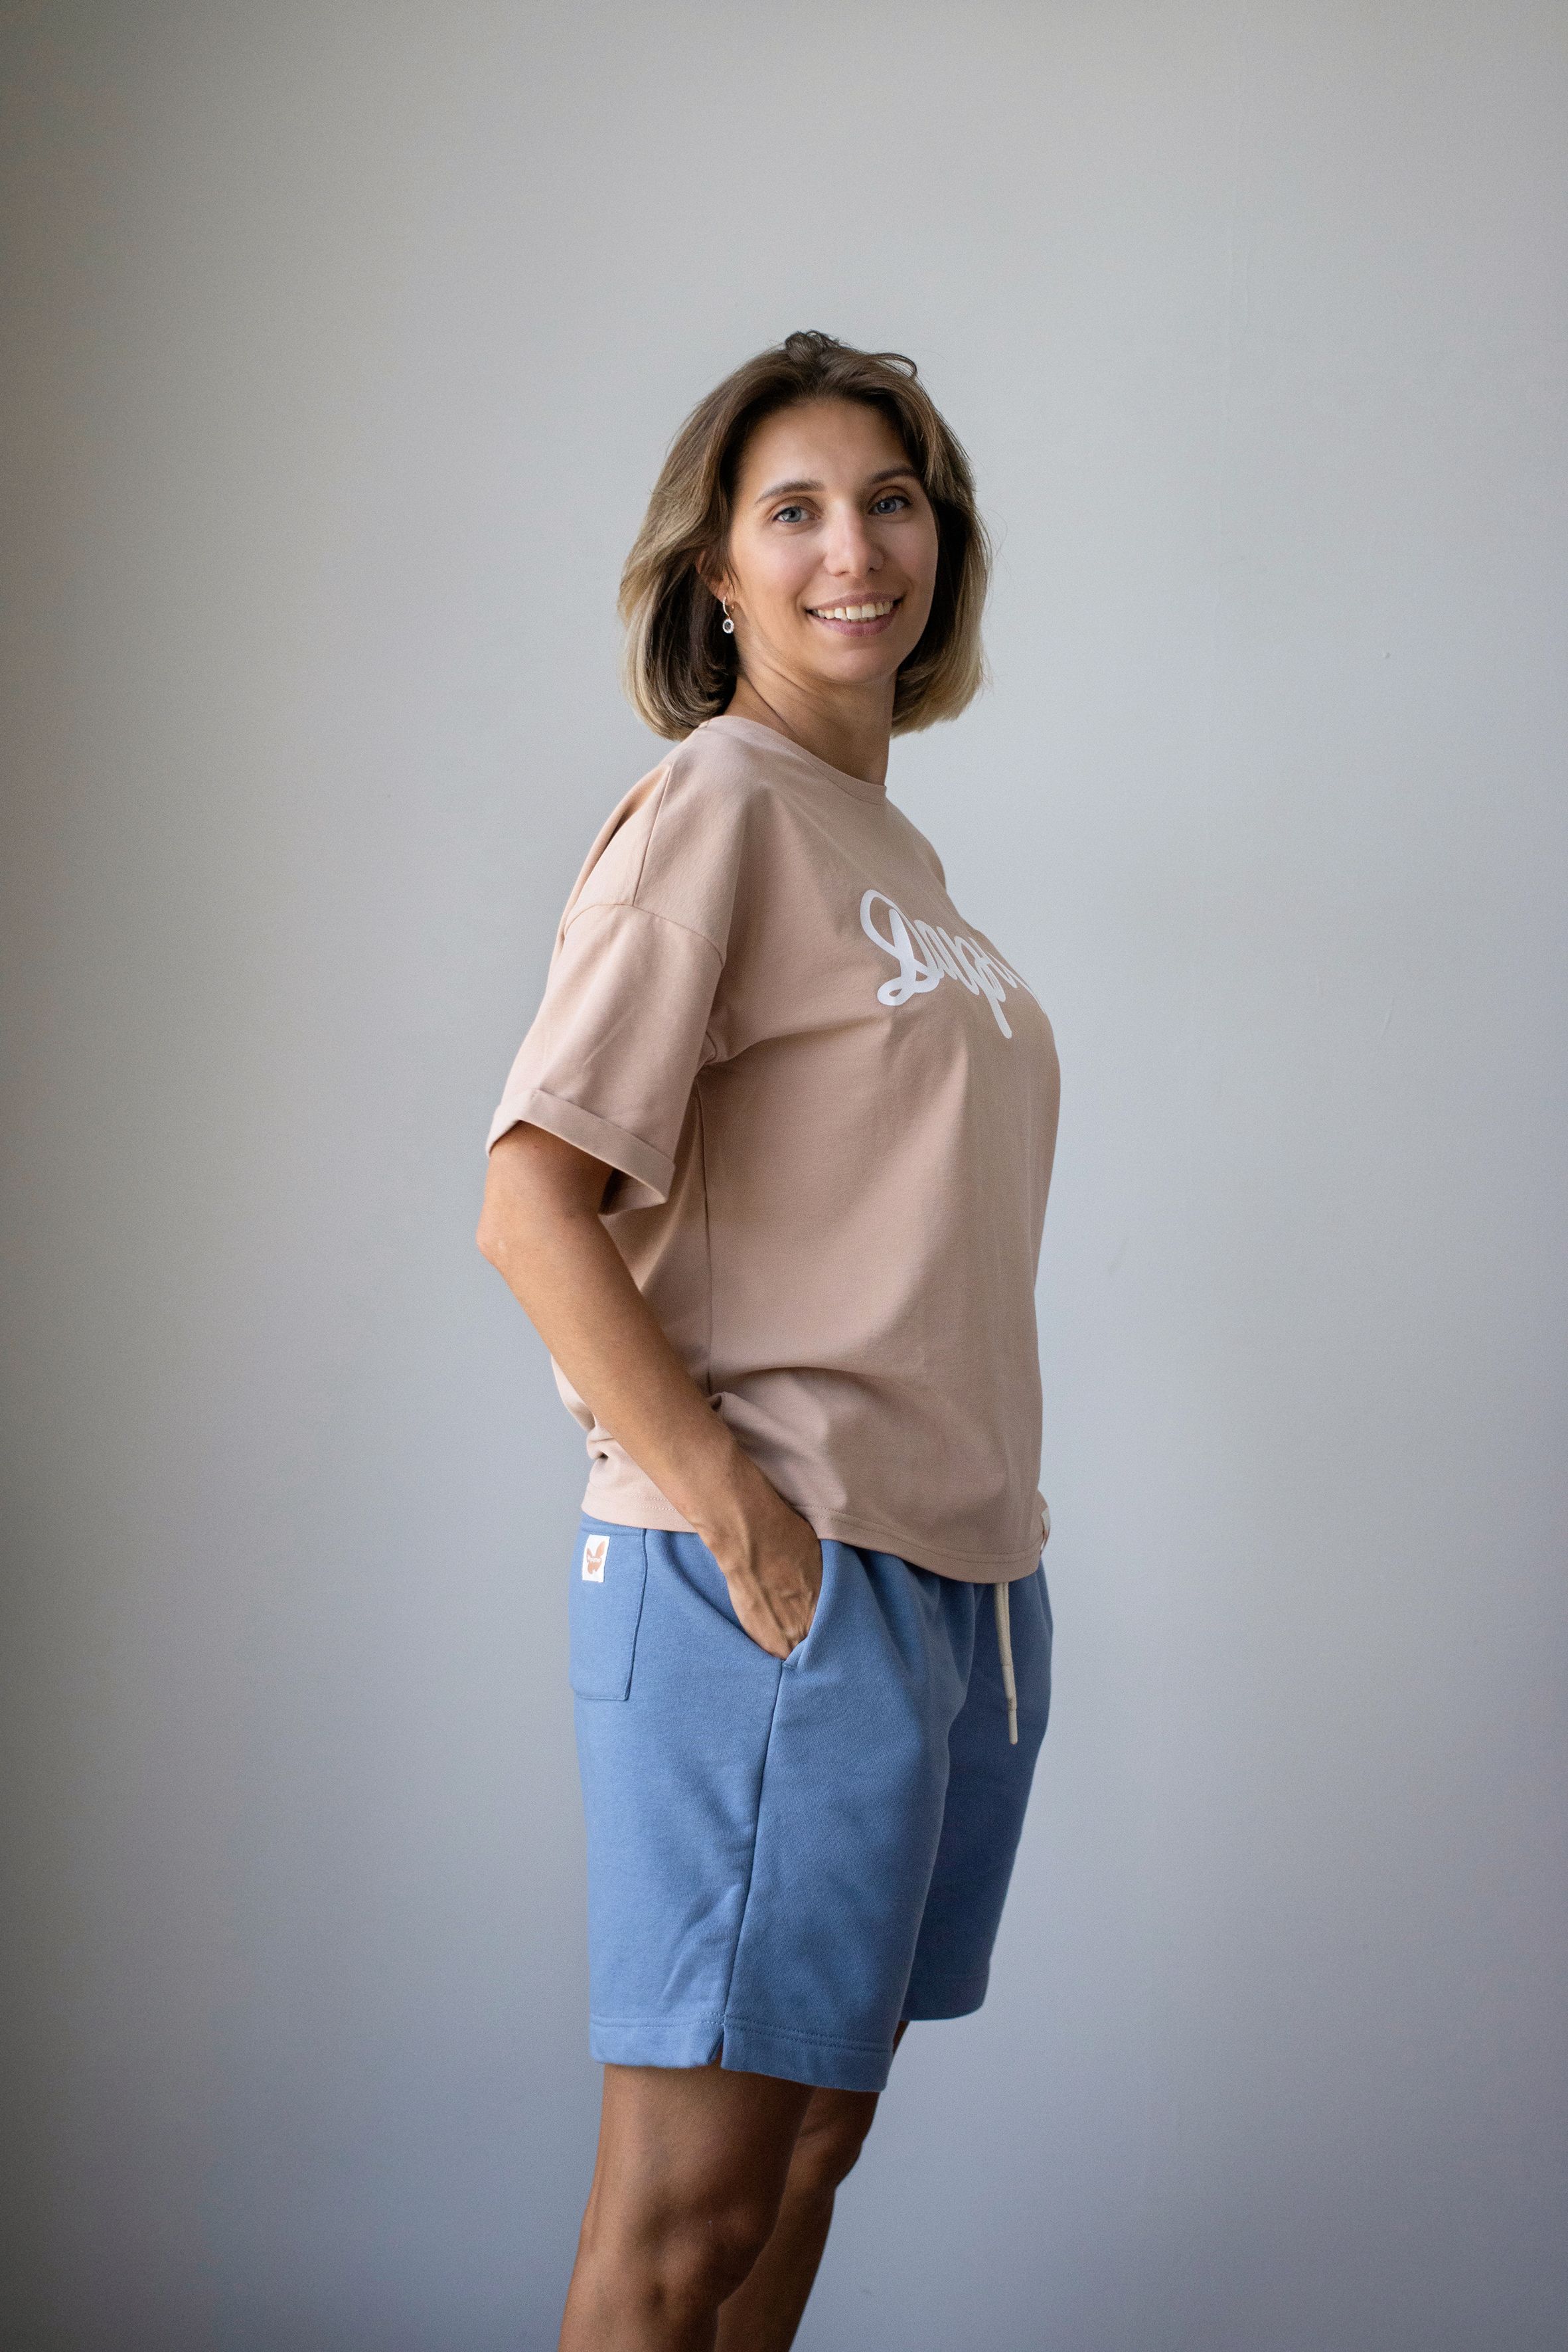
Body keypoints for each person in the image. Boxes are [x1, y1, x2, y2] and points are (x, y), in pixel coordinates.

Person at [477, 329, 1061, 2352]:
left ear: (939, 543)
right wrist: (745, 1521)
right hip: (782, 1584)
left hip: (953, 1585)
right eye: (791, 510)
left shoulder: (890, 854)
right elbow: (530, 1203)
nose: (851, 549)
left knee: (805, 2160)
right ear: (715, 574)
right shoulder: (716, 803)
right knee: (682, 2216)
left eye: (889, 501)